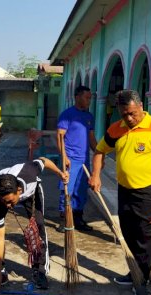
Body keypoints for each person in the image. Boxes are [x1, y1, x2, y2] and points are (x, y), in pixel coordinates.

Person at [89, 90, 151, 295]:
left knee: (145, 237)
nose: (129, 118)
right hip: (125, 190)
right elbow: (100, 150)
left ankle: (142, 281)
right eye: (124, 114)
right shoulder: (117, 129)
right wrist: (96, 175)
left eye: (132, 113)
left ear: (140, 107)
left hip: (149, 192)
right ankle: (134, 273)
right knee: (129, 232)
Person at [0, 157, 69, 291]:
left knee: (39, 226)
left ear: (18, 190)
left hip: (32, 192)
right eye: (4, 201)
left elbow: (44, 160)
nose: (7, 205)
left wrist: (60, 173)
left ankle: (40, 270)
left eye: (9, 201)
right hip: (5, 192)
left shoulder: (29, 171)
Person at [56, 85, 97, 231]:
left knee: (81, 190)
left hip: (84, 160)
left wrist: (99, 154)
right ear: (77, 97)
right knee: (67, 189)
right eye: (87, 97)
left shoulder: (89, 116)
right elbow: (60, 136)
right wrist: (64, 157)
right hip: (70, 160)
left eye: (90, 98)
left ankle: (78, 218)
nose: (89, 100)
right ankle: (64, 220)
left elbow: (91, 138)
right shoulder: (67, 114)